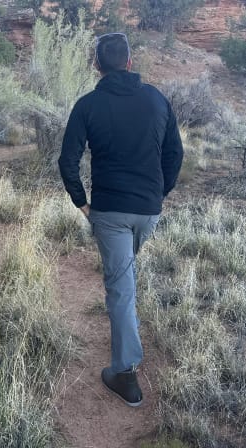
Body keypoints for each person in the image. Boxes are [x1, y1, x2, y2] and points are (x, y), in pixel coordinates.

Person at [58, 32, 183, 407]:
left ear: (98, 65)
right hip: (148, 211)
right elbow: (175, 155)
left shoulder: (88, 105)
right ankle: (126, 340)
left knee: (121, 289)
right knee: (124, 279)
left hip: (110, 212)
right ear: (129, 62)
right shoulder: (157, 100)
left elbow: (67, 161)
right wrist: (158, 195)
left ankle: (125, 374)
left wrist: (83, 206)